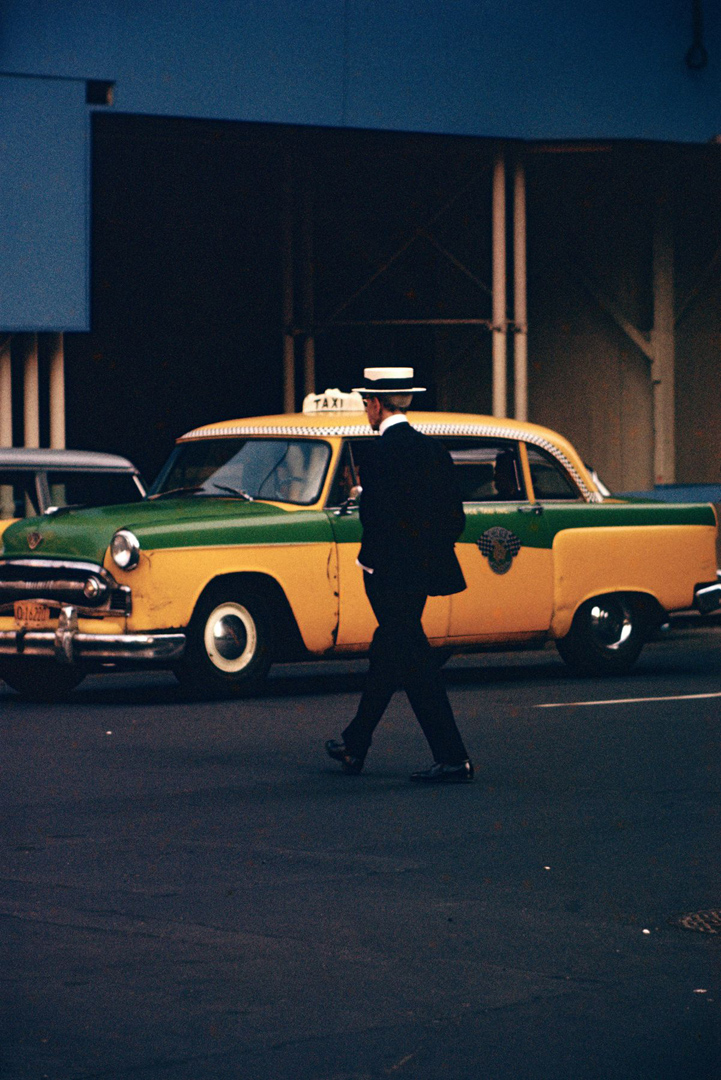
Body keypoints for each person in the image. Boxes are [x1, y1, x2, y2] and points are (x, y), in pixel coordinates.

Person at [325, 366, 474, 783]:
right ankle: (355, 744)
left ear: (375, 404)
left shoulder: (378, 455)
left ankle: (453, 758)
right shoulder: (433, 451)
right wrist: (425, 558)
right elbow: (454, 520)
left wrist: (372, 564)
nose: (365, 411)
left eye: (365, 403)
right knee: (390, 655)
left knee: (412, 661)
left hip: (387, 577)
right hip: (421, 576)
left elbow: (375, 521)